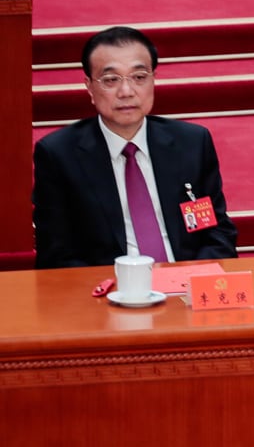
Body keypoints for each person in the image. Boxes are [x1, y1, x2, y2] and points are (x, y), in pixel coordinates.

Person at [32, 27, 237, 269]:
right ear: (89, 87)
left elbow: (217, 232)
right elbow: (55, 254)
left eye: (139, 77)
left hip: (186, 285)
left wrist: (191, 280)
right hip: (108, 294)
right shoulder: (58, 154)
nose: (126, 92)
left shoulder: (191, 142)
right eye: (111, 80)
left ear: (153, 79)